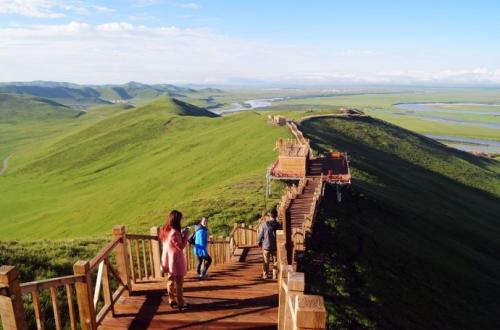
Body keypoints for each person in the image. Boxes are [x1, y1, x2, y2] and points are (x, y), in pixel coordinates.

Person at [160, 210, 190, 310]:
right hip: (175, 260)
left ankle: (171, 299)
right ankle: (181, 303)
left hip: (168, 259)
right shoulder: (174, 233)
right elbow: (180, 246)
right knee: (179, 282)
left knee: (170, 280)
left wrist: (181, 234)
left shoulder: (166, 230)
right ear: (176, 220)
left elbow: (172, 243)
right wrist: (186, 235)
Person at [257, 209, 280, 279]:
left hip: (266, 246)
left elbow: (260, 235)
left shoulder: (265, 225)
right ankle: (275, 275)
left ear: (270, 216)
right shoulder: (278, 225)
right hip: (275, 246)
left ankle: (265, 275)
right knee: (275, 262)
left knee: (266, 261)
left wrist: (259, 242)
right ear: (276, 216)